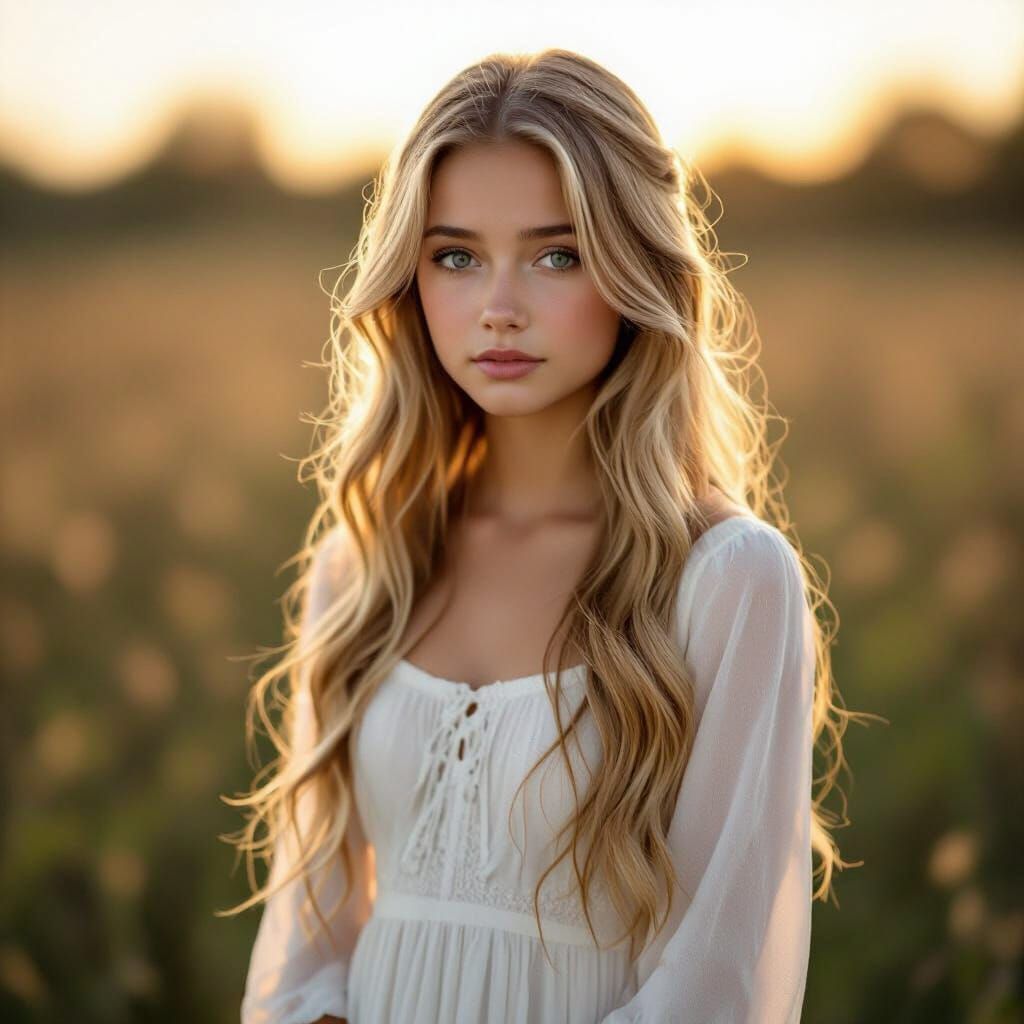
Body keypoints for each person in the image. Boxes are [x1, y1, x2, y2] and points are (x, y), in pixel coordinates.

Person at [220, 47, 863, 1023]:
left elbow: (715, 982)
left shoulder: (727, 579)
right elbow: (304, 947)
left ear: (634, 266)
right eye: (456, 255)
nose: (499, 307)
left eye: (556, 253)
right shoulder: (366, 562)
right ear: (410, 274)